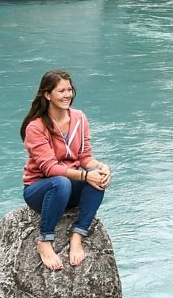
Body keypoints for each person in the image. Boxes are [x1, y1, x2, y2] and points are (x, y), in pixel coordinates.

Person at [21, 69, 112, 270]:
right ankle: (44, 241)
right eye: (61, 91)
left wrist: (100, 167)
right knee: (61, 182)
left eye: (69, 90)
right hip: (41, 190)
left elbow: (85, 157)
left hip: (69, 186)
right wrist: (85, 175)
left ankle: (77, 236)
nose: (67, 95)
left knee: (98, 180)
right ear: (47, 94)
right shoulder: (35, 127)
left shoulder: (79, 118)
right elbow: (50, 168)